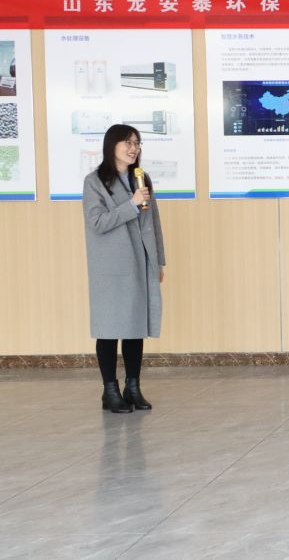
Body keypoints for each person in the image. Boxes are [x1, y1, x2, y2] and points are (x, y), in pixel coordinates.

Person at [83, 125, 164, 413]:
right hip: (111, 267)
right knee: (108, 329)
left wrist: (159, 261)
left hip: (141, 262)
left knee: (134, 327)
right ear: (111, 145)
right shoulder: (94, 182)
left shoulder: (141, 178)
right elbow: (97, 223)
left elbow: (153, 223)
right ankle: (110, 391)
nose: (134, 148)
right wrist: (132, 203)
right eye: (127, 142)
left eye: (137, 143)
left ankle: (133, 388)